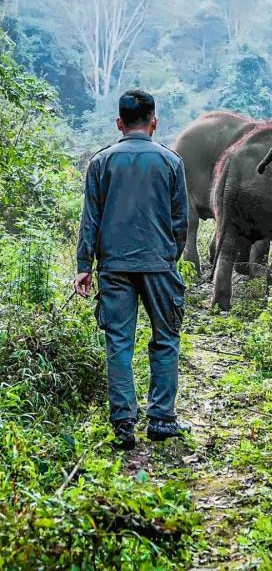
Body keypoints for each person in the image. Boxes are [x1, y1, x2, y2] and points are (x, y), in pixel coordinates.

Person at [74, 89, 190, 449]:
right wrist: (169, 256)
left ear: (119, 123)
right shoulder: (171, 162)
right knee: (166, 339)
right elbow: (180, 221)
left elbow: (89, 219)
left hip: (114, 267)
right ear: (154, 122)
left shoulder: (101, 162)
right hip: (158, 265)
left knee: (119, 343)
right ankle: (161, 419)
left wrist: (84, 266)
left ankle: (124, 424)